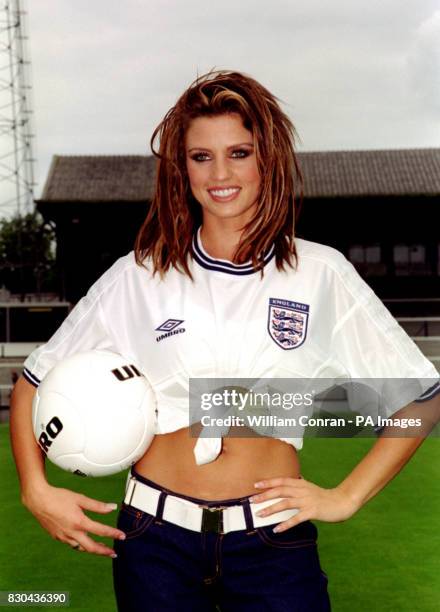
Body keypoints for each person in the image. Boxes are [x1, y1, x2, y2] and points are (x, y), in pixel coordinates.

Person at [10, 69, 440, 612]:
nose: (220, 173)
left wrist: (346, 495)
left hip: (272, 542)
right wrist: (36, 489)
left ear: (268, 159)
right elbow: (32, 383)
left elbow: (420, 397)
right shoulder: (139, 275)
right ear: (181, 168)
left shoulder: (320, 272)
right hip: (155, 540)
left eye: (239, 153)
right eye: (200, 156)